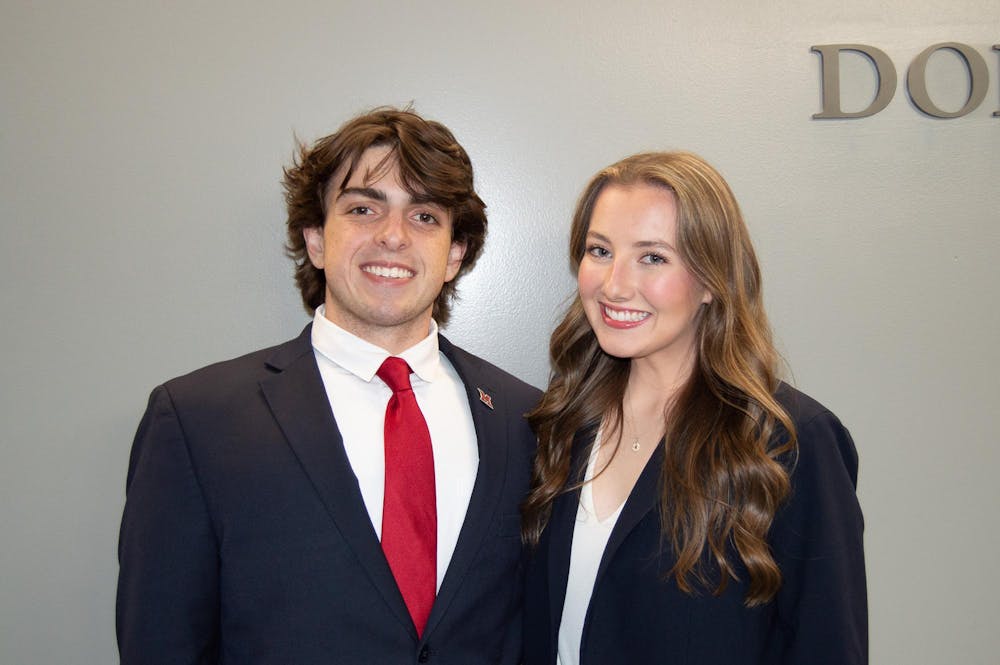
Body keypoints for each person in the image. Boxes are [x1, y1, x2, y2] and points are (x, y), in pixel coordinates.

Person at [117, 107, 540, 664]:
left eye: (424, 217)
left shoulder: (527, 419)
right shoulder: (197, 421)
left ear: (454, 255)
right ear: (316, 240)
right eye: (363, 208)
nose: (392, 236)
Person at [521, 152, 866, 665]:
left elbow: (827, 646)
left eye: (653, 257)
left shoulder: (790, 441)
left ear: (710, 280)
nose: (614, 284)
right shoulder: (561, 423)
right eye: (600, 250)